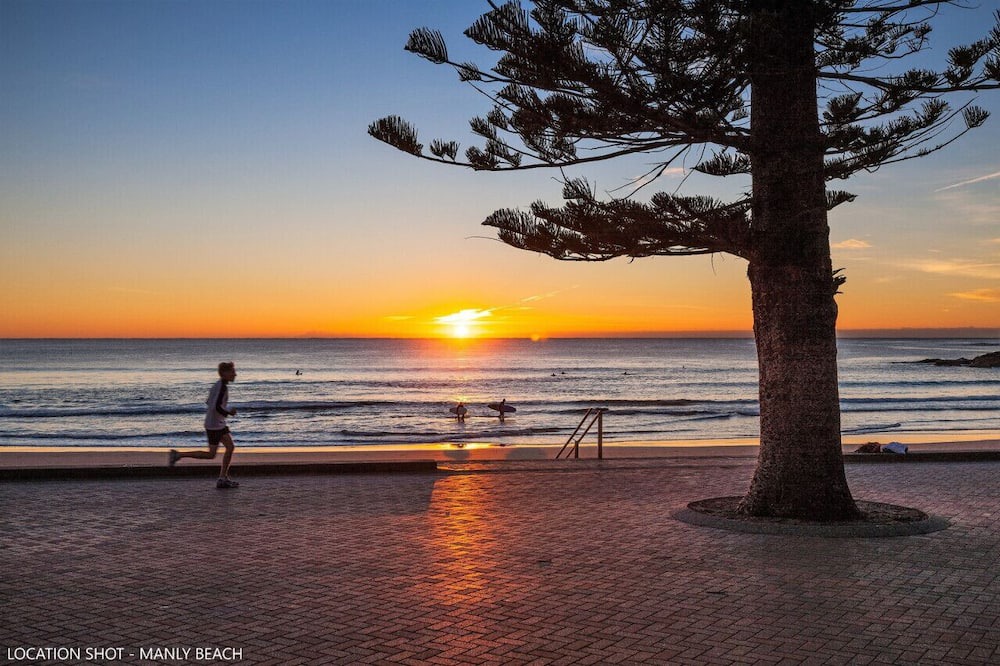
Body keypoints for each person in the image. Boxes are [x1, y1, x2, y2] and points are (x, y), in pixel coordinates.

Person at [169, 361, 240, 489]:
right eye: (232, 372)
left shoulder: (217, 386)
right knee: (212, 454)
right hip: (215, 425)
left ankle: (222, 478)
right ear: (225, 373)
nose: (235, 374)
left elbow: (209, 402)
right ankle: (178, 455)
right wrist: (229, 412)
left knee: (229, 447)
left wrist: (222, 414)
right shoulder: (222, 387)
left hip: (216, 423)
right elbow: (216, 406)